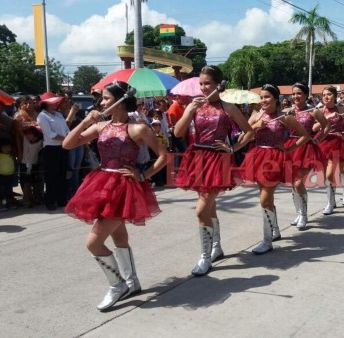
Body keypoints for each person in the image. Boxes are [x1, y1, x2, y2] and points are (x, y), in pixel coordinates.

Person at [63, 81, 167, 311]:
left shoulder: (138, 128)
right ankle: (132, 281)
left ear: (120, 100)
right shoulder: (100, 127)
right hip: (101, 184)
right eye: (102, 98)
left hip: (124, 188)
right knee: (119, 238)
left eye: (107, 98)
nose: (102, 102)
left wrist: (143, 175)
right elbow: (67, 144)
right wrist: (85, 122)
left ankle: (117, 285)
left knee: (93, 243)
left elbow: (163, 156)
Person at [174, 65, 254, 274]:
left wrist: (232, 148)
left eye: (207, 83)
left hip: (217, 160)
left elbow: (249, 132)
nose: (203, 87)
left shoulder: (229, 108)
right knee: (209, 208)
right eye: (201, 83)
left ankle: (205, 257)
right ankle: (216, 248)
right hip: (197, 157)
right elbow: (177, 132)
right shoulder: (194, 106)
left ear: (218, 84)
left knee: (201, 210)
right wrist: (189, 111)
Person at [240, 84, 309, 254]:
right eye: (261, 97)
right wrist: (256, 126)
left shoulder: (284, 117)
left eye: (267, 97)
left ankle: (267, 240)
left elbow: (305, 135)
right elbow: (244, 137)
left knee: (265, 199)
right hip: (257, 157)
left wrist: (288, 149)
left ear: (275, 99)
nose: (263, 100)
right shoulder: (256, 115)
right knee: (267, 199)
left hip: (274, 159)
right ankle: (274, 230)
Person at [284, 82, 329, 229]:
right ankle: (299, 213)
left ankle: (304, 215)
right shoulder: (288, 111)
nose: (296, 96)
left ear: (305, 95)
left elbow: (326, 125)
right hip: (291, 147)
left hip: (306, 149)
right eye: (294, 94)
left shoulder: (313, 111)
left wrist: (318, 138)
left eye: (299, 93)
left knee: (298, 183)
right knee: (293, 183)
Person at [314, 86, 344, 214]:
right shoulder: (319, 110)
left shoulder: (341, 109)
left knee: (340, 171)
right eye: (324, 95)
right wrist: (327, 117)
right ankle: (331, 201)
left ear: (334, 96)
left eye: (329, 94)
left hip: (337, 143)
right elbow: (315, 128)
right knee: (328, 175)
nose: (326, 97)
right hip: (322, 142)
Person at [0, 139, 17, 211]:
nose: (7, 149)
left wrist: (15, 172)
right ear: (0, 148)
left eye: (9, 147)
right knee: (1, 191)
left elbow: (14, 164)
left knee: (9, 191)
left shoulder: (12, 155)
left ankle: (9, 204)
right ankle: (1, 204)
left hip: (10, 175)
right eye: (5, 147)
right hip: (1, 176)